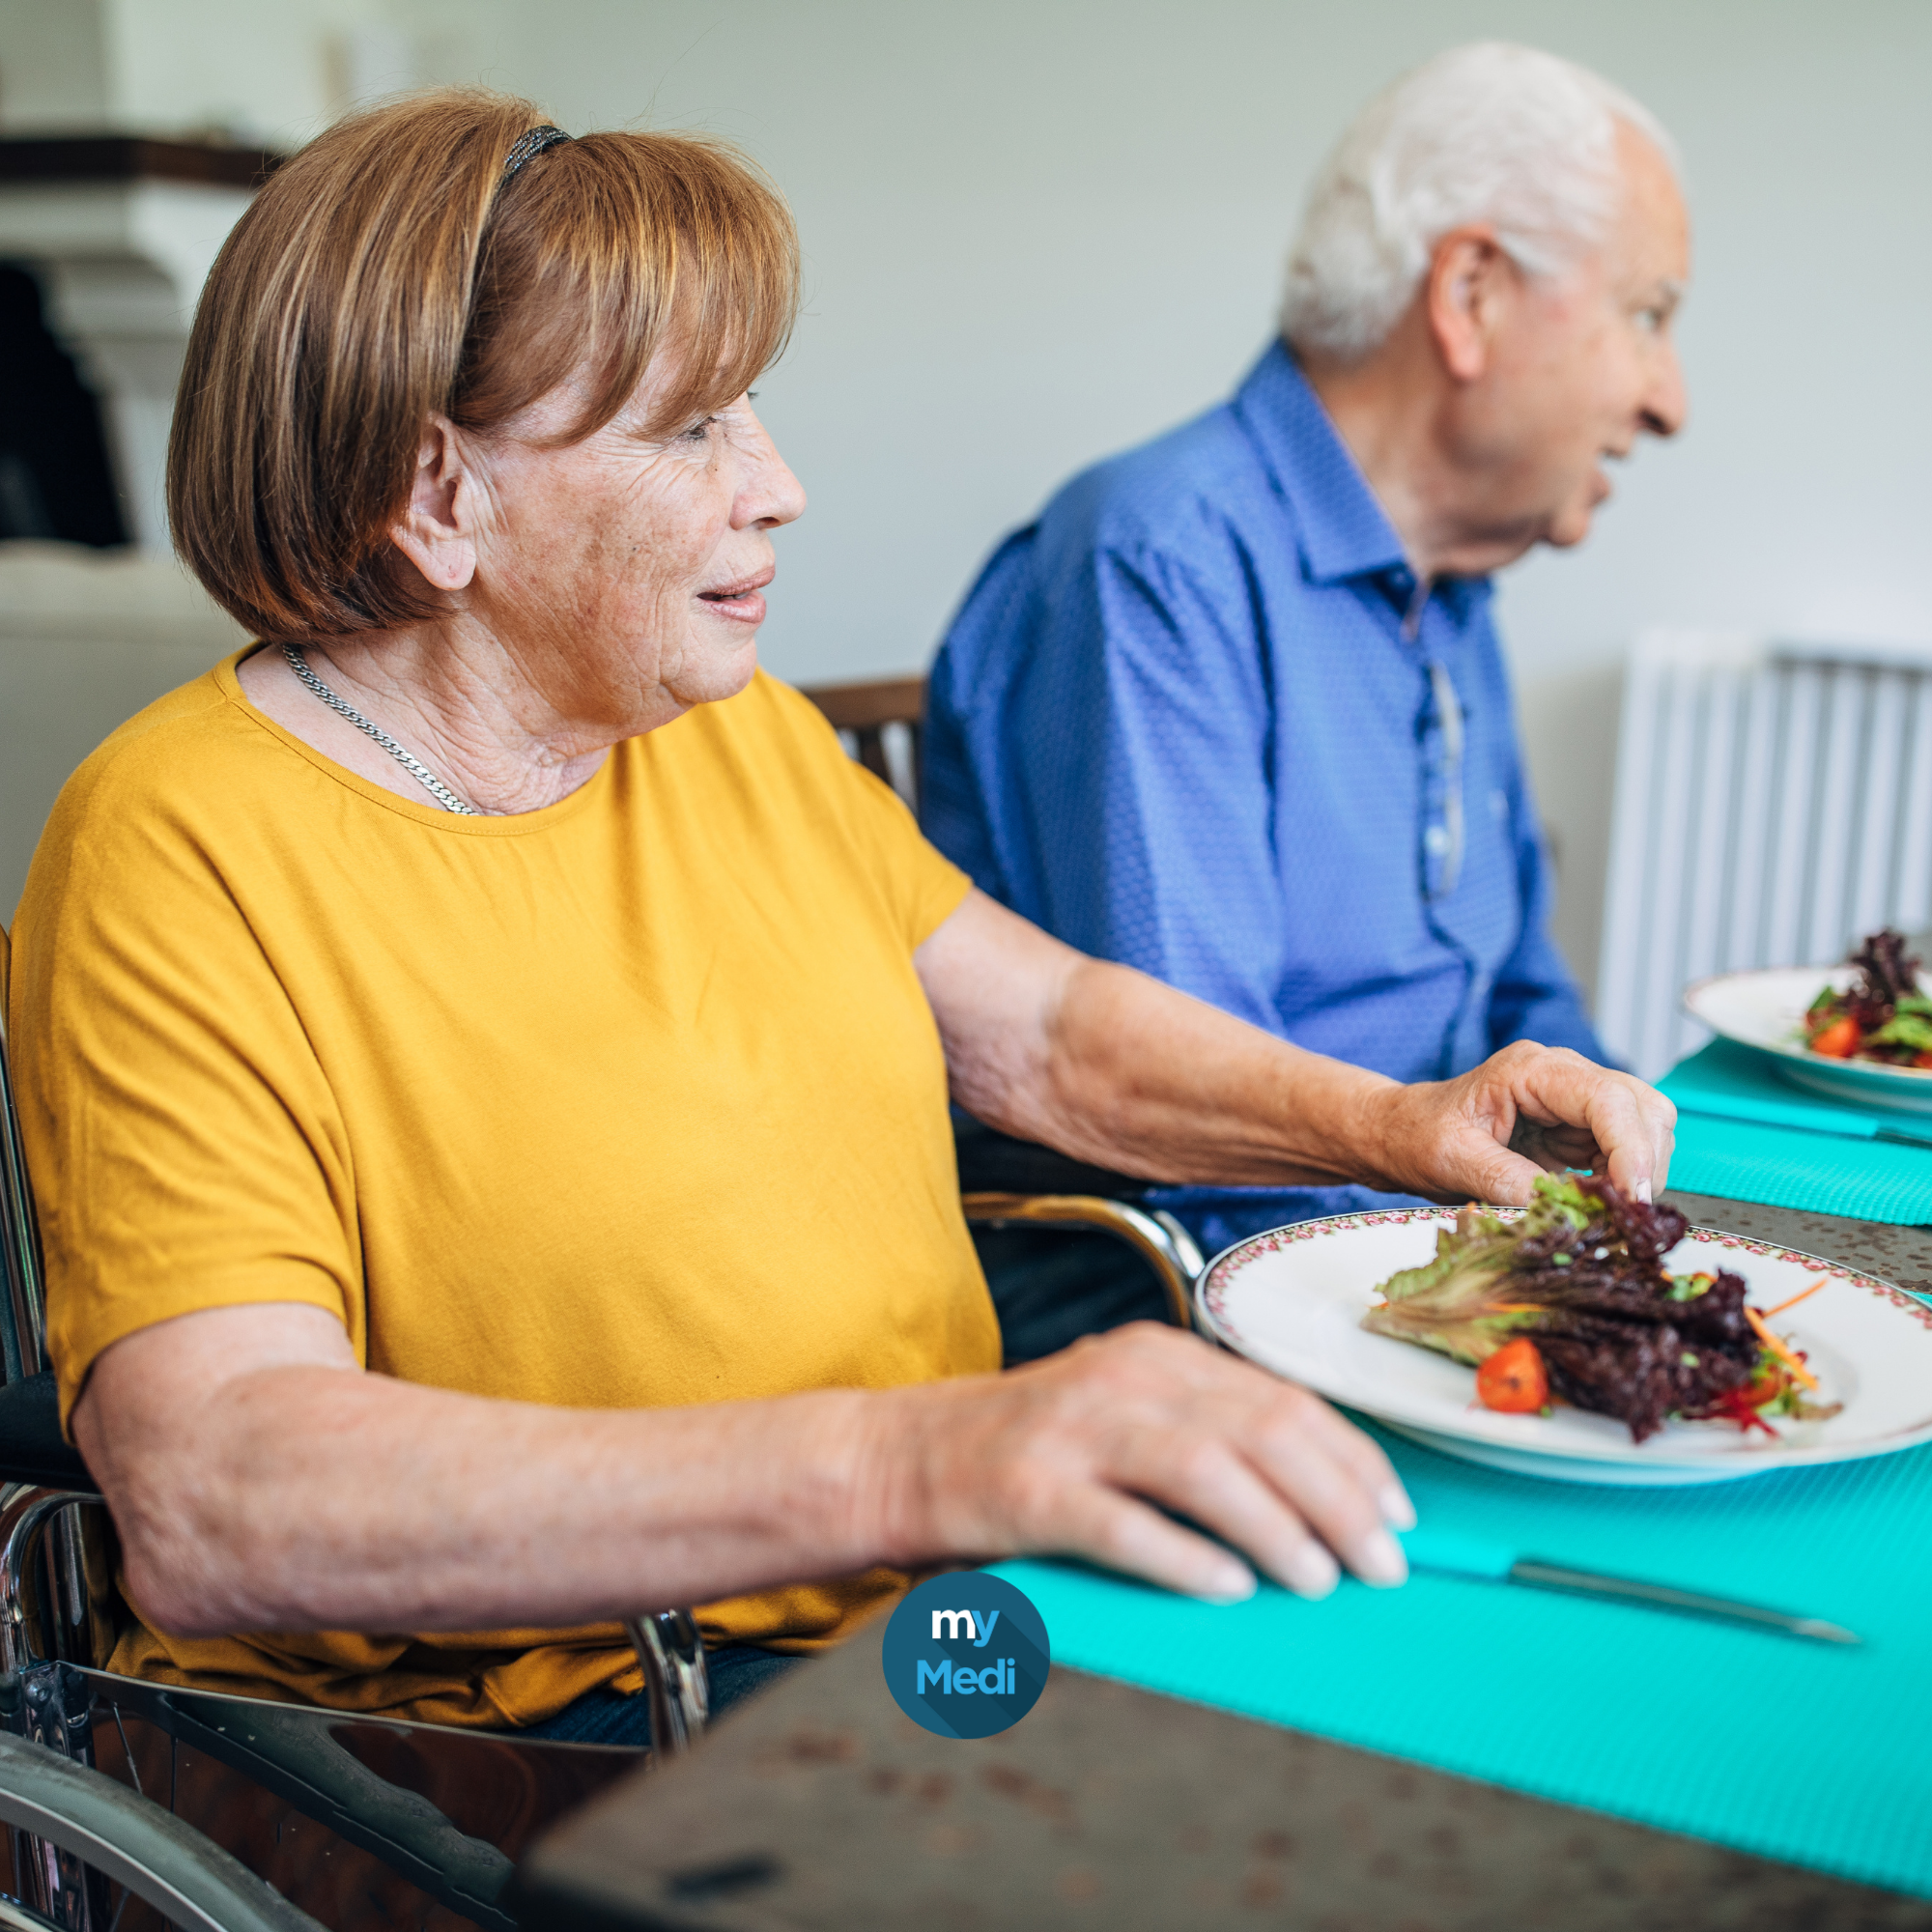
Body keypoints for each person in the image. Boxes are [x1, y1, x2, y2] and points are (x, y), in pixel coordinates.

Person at [7, 90, 1675, 1748]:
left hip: (925, 1608)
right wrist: (918, 1458)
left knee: (1494, 1701)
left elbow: (1050, 1032)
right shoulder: (178, 843)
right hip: (563, 1731)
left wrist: (1397, 1122)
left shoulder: (724, 727)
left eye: (755, 412)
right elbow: (223, 1488)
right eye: (690, 431)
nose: (781, 485)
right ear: (437, 497)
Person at [923, 43, 1690, 1346]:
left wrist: (1636, 1193)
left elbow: (1517, 999)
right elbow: (1210, 1133)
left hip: (1417, 1250)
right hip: (1191, 1302)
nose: (1667, 399)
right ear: (1472, 294)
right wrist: (1539, 1283)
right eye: (1650, 316)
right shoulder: (1158, 564)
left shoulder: (1450, 586)